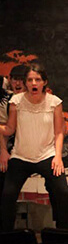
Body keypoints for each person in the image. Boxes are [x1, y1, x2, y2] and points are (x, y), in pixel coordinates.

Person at [0, 63, 68, 231]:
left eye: (37, 79)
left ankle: (65, 234)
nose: (33, 83)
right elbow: (10, 129)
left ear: (44, 82)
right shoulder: (16, 101)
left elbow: (59, 132)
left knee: (63, 192)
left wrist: (58, 156)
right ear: (25, 83)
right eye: (30, 80)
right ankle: (5, 238)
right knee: (7, 195)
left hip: (47, 155)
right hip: (21, 156)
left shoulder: (54, 102)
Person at [0, 65, 28, 203]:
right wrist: (3, 151)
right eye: (15, 79)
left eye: (22, 79)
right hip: (12, 148)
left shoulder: (34, 99)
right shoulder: (6, 101)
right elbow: (3, 129)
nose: (18, 83)